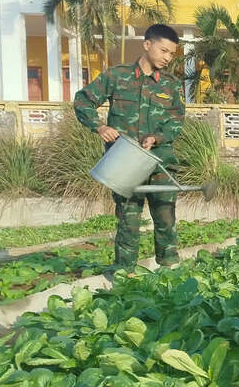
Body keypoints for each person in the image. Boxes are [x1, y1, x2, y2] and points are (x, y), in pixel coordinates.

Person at [73, 24, 185, 273]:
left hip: (160, 162)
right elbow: (83, 100)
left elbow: (177, 120)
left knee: (166, 218)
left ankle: (169, 271)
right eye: (164, 51)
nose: (167, 58)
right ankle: (125, 273)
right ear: (147, 44)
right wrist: (99, 127)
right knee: (128, 219)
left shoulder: (171, 85)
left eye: (171, 54)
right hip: (125, 162)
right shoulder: (117, 76)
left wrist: (157, 138)